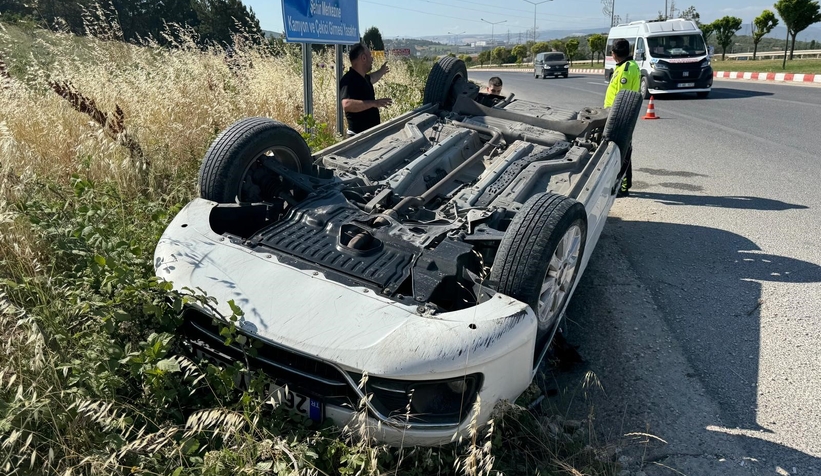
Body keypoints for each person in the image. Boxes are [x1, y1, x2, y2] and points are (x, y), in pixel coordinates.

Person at [605, 38, 641, 197]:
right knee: (621, 150)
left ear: (614, 54)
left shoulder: (626, 69)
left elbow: (623, 98)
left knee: (622, 151)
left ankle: (623, 185)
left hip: (620, 117)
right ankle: (622, 182)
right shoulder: (626, 66)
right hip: (618, 115)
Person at [340, 43, 392, 136]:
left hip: (368, 136)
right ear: (363, 58)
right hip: (358, 139)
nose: (372, 59)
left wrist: (382, 71)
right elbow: (346, 104)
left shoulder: (364, 78)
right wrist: (374, 103)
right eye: (370, 56)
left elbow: (373, 78)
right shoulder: (348, 80)